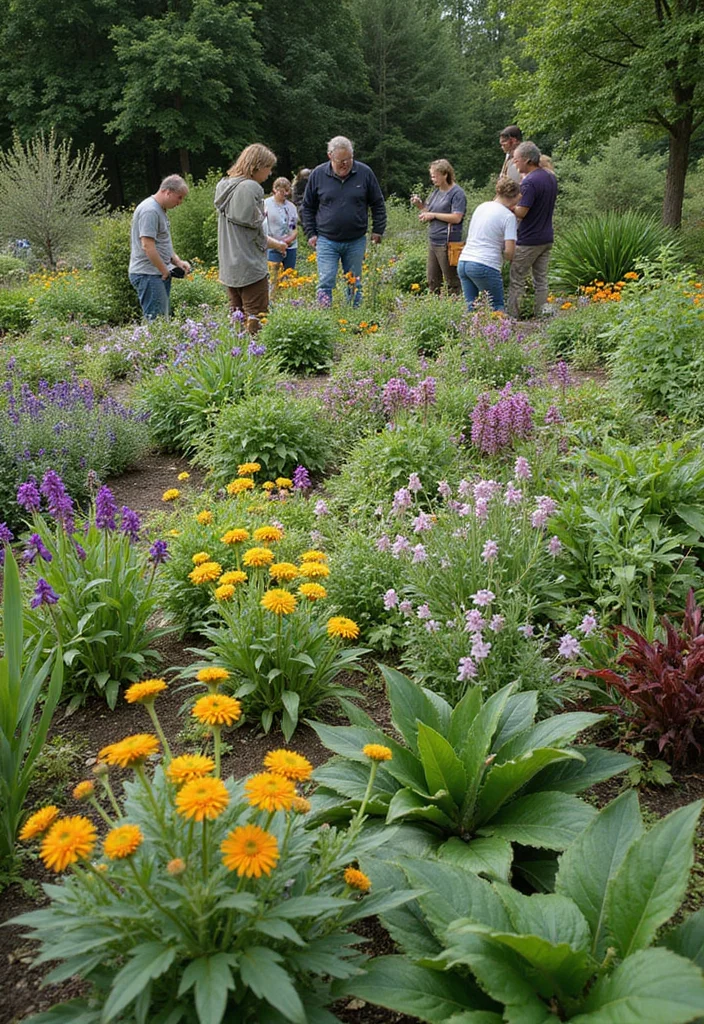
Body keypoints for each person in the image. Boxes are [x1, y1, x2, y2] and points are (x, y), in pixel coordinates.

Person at [301, 135, 386, 306]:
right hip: (326, 239)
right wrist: (310, 233)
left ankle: (355, 318)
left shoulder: (364, 173)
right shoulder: (318, 174)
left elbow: (377, 204)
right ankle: (324, 317)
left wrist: (378, 230)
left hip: (356, 239)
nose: (345, 164)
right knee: (326, 281)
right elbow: (307, 207)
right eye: (341, 160)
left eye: (348, 159)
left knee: (354, 281)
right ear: (330, 156)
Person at [214, 144, 287, 334]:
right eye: (268, 167)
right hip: (251, 266)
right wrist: (262, 215)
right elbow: (254, 225)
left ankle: (237, 359)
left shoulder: (224, 186)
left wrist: (276, 244)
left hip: (230, 267)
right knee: (257, 318)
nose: (269, 173)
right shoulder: (251, 188)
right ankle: (257, 358)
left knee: (237, 317)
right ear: (257, 166)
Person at [128, 175, 191, 320]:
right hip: (148, 274)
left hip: (156, 273)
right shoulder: (150, 210)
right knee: (158, 323)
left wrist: (177, 262)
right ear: (167, 192)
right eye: (179, 197)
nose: (180, 202)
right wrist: (164, 271)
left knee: (162, 321)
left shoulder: (159, 209)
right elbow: (147, 246)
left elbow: (162, 243)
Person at [507, 140, 558, 319]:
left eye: (516, 159)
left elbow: (521, 212)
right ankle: (541, 315)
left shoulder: (530, 182)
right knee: (541, 280)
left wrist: (507, 206)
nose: (514, 163)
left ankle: (513, 318)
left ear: (528, 160)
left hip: (528, 239)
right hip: (546, 237)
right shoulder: (550, 176)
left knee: (517, 279)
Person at [457, 176, 519, 312]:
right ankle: (499, 333)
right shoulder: (509, 217)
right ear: (514, 197)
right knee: (496, 306)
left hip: (464, 261)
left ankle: (469, 332)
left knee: (471, 307)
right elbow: (509, 252)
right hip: (485, 264)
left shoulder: (482, 207)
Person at [410, 159, 466, 296]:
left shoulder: (457, 193)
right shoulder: (435, 192)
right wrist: (420, 206)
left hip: (448, 242)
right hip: (433, 240)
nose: (432, 179)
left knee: (452, 280)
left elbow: (457, 217)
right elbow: (427, 211)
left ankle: (457, 308)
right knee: (432, 280)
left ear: (445, 175)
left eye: (434, 176)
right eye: (431, 176)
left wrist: (433, 215)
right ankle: (435, 307)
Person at [264, 177, 299, 273]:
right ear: (275, 190)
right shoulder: (265, 204)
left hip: (290, 247)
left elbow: (293, 227)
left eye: (288, 191)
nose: (286, 194)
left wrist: (288, 240)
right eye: (283, 191)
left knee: (289, 276)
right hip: (273, 246)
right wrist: (277, 243)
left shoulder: (291, 207)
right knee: (273, 277)